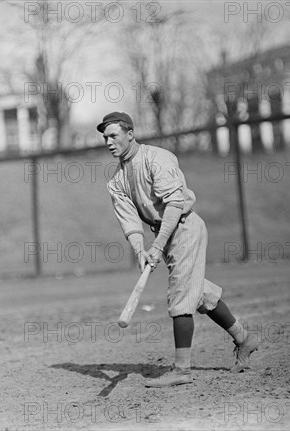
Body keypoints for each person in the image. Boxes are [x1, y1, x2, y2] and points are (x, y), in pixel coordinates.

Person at [98, 112, 259, 388]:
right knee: (197, 293)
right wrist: (140, 252)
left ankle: (182, 370)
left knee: (180, 296)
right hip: (165, 233)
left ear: (130, 134)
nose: (109, 142)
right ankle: (245, 339)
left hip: (183, 227)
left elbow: (174, 204)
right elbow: (131, 223)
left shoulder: (156, 158)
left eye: (113, 135)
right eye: (105, 138)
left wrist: (157, 245)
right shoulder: (117, 181)